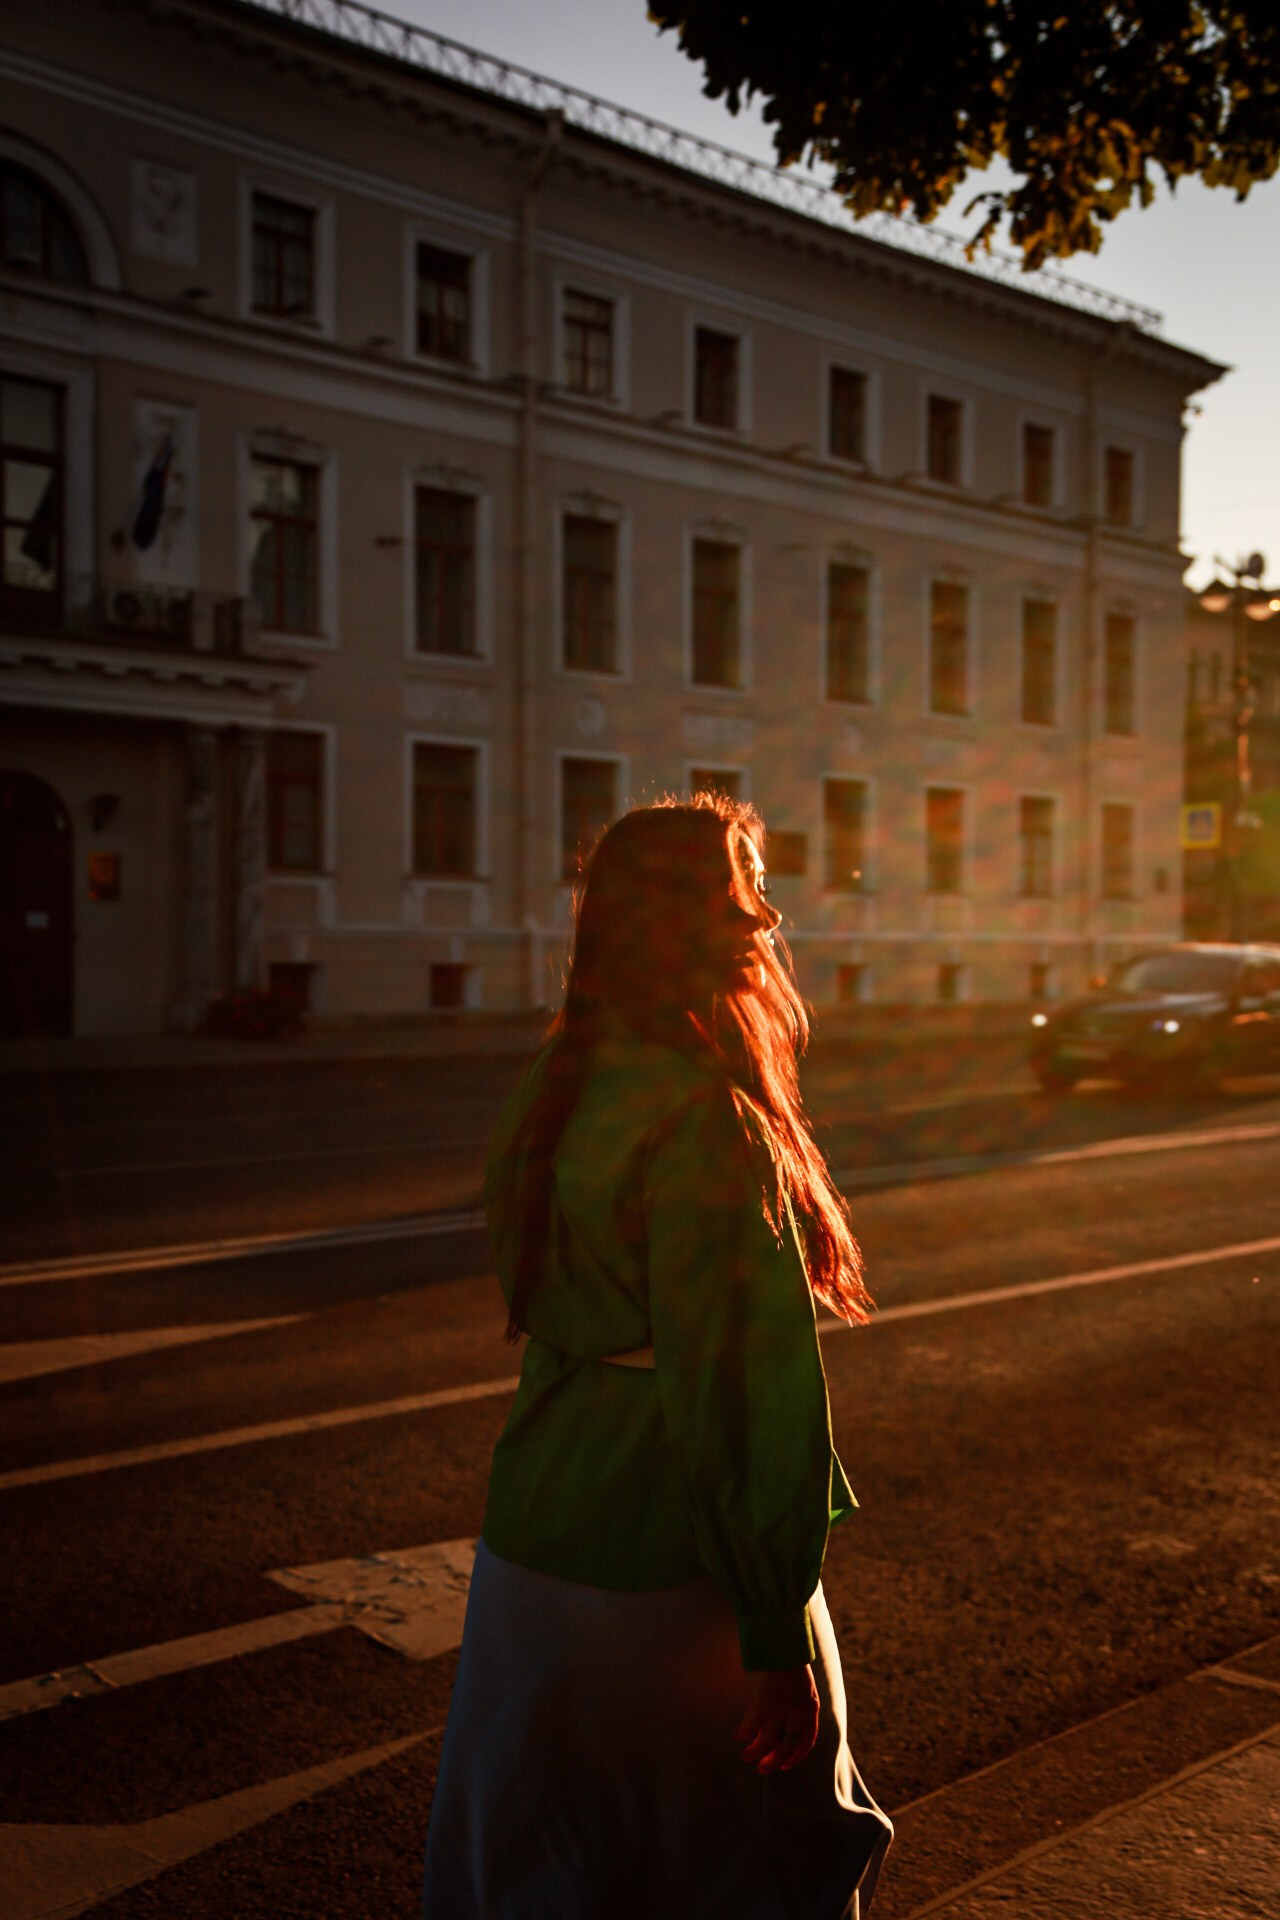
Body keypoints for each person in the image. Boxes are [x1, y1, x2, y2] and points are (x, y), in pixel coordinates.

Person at [422, 795, 892, 1919]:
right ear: (688, 920)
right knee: (757, 1856)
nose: (764, 915)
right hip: (673, 1572)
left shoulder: (555, 1082)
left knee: (542, 1861)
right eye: (743, 887)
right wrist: (771, 1631)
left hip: (531, 1545)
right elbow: (746, 1398)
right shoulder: (706, 1122)